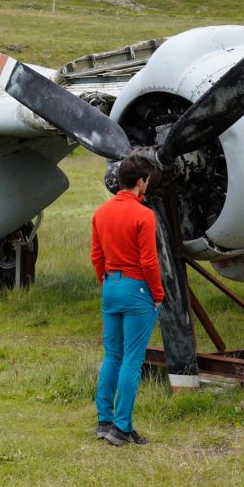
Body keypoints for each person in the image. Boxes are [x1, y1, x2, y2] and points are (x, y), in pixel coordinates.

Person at [90, 152, 165, 446]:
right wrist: (157, 294)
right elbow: (149, 261)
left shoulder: (101, 212)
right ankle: (122, 428)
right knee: (132, 360)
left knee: (113, 355)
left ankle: (103, 421)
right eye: (147, 181)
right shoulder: (144, 215)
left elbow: (97, 255)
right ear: (141, 181)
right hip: (138, 291)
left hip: (111, 285)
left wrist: (107, 282)